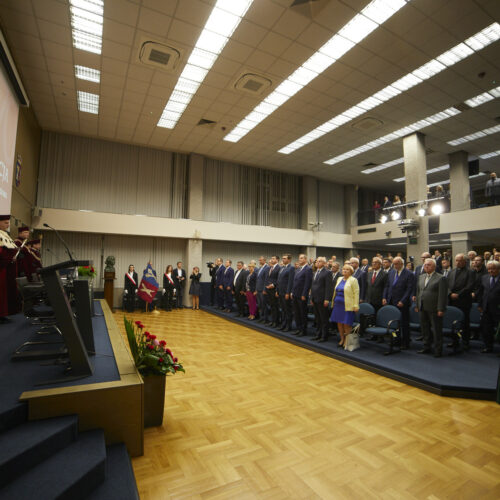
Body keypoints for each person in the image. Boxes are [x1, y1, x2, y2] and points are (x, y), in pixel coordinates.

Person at [415, 258, 448, 357]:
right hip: (422, 306)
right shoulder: (421, 277)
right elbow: (418, 292)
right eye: (425, 265)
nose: (426, 266)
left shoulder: (440, 278)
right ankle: (426, 347)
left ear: (434, 266)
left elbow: (443, 295)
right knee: (425, 329)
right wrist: (417, 305)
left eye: (428, 265)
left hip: (434, 308)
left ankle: (438, 350)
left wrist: (440, 308)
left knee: (436, 330)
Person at [383, 256, 415, 350]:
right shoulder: (391, 273)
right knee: (395, 323)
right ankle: (396, 340)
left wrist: (403, 300)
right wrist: (384, 297)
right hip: (391, 300)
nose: (395, 265)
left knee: (404, 323)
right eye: (394, 263)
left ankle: (406, 341)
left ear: (402, 264)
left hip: (402, 302)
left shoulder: (409, 274)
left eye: (396, 264)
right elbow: (387, 286)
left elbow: (409, 289)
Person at [447, 254, 475, 350]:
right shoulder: (451, 272)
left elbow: (469, 286)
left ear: (464, 261)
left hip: (463, 301)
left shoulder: (470, 272)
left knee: (464, 323)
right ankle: (454, 341)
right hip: (452, 301)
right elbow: (446, 285)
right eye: (456, 260)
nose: (458, 262)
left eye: (460, 260)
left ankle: (465, 341)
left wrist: (458, 294)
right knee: (453, 322)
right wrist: (450, 293)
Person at [330, 264, 359, 348]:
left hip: (347, 305)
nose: (345, 271)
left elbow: (356, 293)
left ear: (351, 272)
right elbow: (335, 291)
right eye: (343, 269)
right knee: (339, 323)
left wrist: (356, 305)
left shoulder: (353, 280)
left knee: (346, 323)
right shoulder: (339, 279)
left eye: (347, 269)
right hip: (338, 305)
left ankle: (347, 340)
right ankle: (342, 339)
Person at [476, 260, 500, 353]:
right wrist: (479, 304)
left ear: (498, 269)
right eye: (489, 269)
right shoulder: (484, 278)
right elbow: (480, 292)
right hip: (486, 308)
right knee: (486, 329)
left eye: (493, 269)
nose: (491, 271)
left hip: (498, 308)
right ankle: (488, 346)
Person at [0, 215, 19, 323]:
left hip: (7, 269)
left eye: (8, 222)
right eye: (6, 222)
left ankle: (4, 313)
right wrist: (9, 257)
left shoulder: (5, 235)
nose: (8, 225)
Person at [311, 257, 333, 342]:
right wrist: (312, 297)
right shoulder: (315, 272)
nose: (317, 263)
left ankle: (324, 336)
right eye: (317, 261)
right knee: (317, 318)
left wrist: (327, 299)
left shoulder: (327, 272)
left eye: (320, 261)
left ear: (324, 263)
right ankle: (318, 334)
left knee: (323, 318)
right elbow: (312, 286)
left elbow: (328, 287)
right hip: (315, 298)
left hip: (322, 298)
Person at [291, 254, 312, 337]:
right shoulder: (298, 269)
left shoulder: (308, 269)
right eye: (299, 258)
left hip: (302, 295)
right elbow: (295, 282)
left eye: (301, 258)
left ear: (306, 259)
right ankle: (298, 328)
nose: (300, 259)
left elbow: (307, 283)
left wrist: (304, 294)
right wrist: (292, 292)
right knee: (296, 313)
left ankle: (303, 330)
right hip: (295, 294)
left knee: (302, 313)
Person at [277, 254, 294, 331]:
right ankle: (283, 324)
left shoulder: (291, 268)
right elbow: (279, 280)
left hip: (285, 292)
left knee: (287, 310)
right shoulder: (282, 268)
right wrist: (277, 290)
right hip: (280, 292)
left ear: (289, 260)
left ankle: (288, 326)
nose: (283, 259)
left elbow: (290, 282)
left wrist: (288, 292)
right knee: (283, 310)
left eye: (284, 258)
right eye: (282, 258)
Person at [263, 255, 280, 327]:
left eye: (273, 258)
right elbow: (267, 278)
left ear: (277, 260)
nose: (272, 260)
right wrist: (266, 287)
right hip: (269, 289)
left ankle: (276, 322)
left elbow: (279, 279)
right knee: (272, 306)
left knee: (275, 306)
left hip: (274, 289)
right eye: (271, 258)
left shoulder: (279, 268)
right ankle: (272, 320)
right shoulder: (270, 268)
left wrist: (273, 284)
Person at [255, 256, 269, 322]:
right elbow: (258, 280)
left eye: (261, 260)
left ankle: (265, 318)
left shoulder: (267, 268)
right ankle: (261, 317)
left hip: (263, 290)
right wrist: (256, 289)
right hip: (258, 289)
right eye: (259, 260)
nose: (259, 261)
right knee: (260, 305)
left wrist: (264, 289)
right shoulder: (260, 268)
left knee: (264, 305)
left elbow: (266, 280)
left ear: (264, 260)